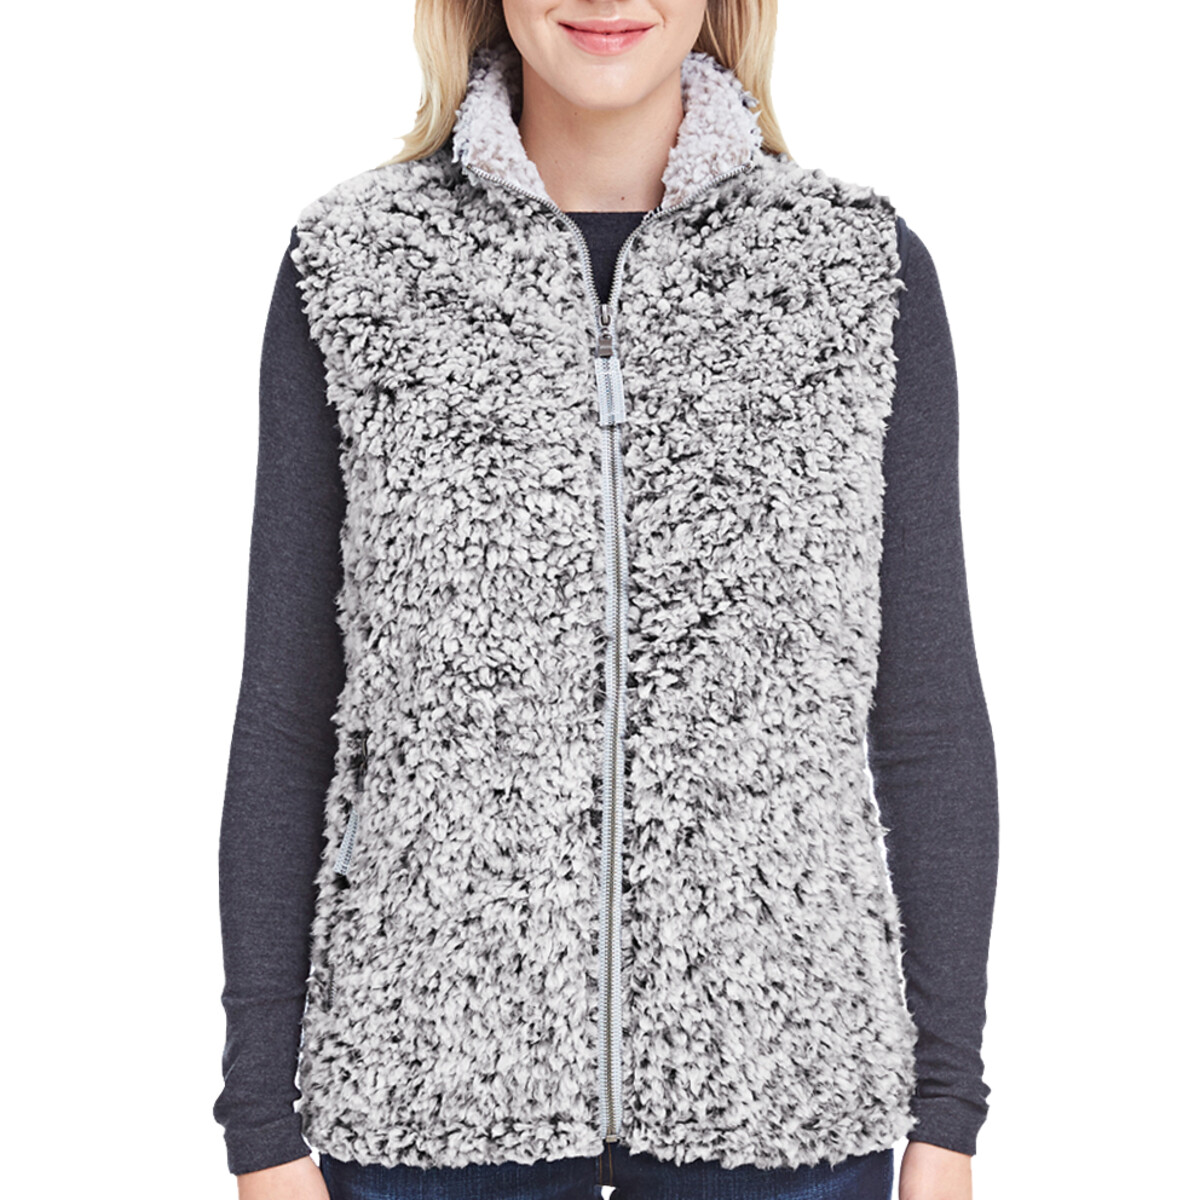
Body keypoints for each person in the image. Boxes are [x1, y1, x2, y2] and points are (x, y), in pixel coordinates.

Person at [213, 2, 1000, 1198]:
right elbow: (287, 715)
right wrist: (261, 1129)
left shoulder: (853, 271)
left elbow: (926, 718)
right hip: (430, 1115)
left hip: (785, 1112)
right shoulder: (358, 268)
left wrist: (948, 1113)